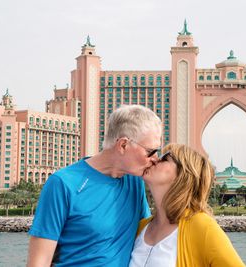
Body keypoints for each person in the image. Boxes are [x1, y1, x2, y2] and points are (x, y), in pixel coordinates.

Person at [27, 105, 162, 267]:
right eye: (150, 151)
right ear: (123, 145)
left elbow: (148, 237)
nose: (156, 158)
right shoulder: (63, 184)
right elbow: (38, 262)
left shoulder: (135, 183)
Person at [129, 144, 246, 267]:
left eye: (165, 158)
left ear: (183, 174)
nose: (154, 159)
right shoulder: (140, 227)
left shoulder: (202, 226)